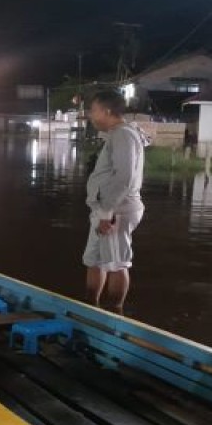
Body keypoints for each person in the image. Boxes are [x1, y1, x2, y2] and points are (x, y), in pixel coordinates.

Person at [82, 90, 146, 312]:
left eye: (94, 110)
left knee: (117, 263)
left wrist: (107, 214)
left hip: (116, 211)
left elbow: (124, 177)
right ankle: (92, 307)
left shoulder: (123, 135)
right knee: (94, 260)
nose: (91, 115)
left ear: (107, 111)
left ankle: (116, 313)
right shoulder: (116, 134)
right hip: (103, 210)